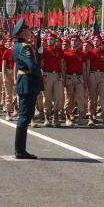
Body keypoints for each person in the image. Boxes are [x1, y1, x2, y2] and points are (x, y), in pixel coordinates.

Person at [12, 18, 41, 159]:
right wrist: (39, 71)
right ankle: (20, 151)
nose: (30, 31)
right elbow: (31, 66)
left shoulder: (19, 45)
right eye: (29, 29)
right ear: (23, 31)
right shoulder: (25, 47)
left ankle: (20, 150)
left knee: (25, 116)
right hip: (28, 83)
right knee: (25, 117)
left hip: (26, 82)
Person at [63, 34, 87, 126]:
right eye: (72, 40)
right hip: (69, 77)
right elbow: (64, 67)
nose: (74, 42)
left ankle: (81, 117)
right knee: (69, 98)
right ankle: (68, 117)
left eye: (76, 40)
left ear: (79, 42)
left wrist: (85, 81)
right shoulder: (66, 53)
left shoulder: (82, 54)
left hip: (79, 77)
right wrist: (64, 79)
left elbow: (84, 68)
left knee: (80, 98)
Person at [42, 33, 65, 127]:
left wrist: (63, 76)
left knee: (59, 97)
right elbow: (41, 64)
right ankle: (47, 117)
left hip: (58, 75)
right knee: (47, 97)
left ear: (56, 41)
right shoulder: (43, 51)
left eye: (51, 39)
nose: (49, 40)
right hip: (47, 75)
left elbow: (62, 64)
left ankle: (55, 115)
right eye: (48, 39)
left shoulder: (60, 50)